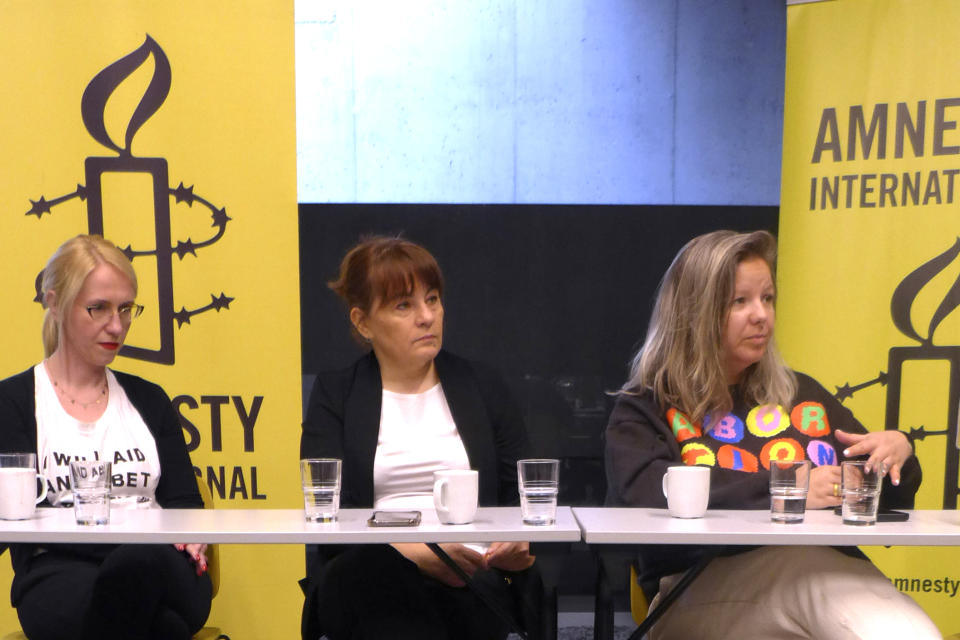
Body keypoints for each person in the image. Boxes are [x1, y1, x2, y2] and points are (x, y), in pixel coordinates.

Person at [604, 230, 941, 639]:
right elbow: (640, 498)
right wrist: (787, 489)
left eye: (767, 298)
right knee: (847, 601)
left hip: (823, 573)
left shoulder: (802, 395)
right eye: (739, 301)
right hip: (697, 586)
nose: (761, 315)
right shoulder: (646, 406)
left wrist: (896, 455)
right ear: (694, 312)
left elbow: (871, 492)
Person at [299, 236, 538, 640]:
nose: (427, 317)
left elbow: (522, 493)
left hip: (472, 570)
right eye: (404, 305)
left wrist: (515, 540)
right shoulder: (336, 393)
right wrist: (417, 553)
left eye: (433, 299)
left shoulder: (482, 386)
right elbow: (329, 508)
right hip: (370, 567)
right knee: (379, 578)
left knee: (447, 599)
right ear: (362, 322)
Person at [0, 235, 212, 640]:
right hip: (59, 572)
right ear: (54, 302)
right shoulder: (12, 403)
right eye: (98, 308)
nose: (116, 326)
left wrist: (193, 534)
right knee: (157, 624)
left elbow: (186, 503)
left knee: (135, 566)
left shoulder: (148, 399)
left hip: (158, 563)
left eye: (126, 309)